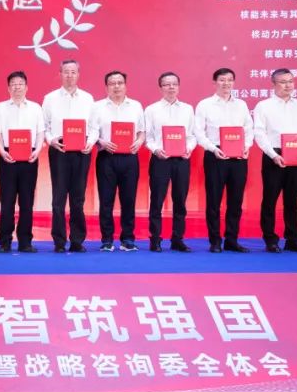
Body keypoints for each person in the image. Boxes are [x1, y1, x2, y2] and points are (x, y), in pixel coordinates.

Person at [253, 68, 297, 253]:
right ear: (273, 84)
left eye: (290, 81)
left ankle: (293, 239)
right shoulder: (264, 106)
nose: (288, 85)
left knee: (293, 200)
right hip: (275, 154)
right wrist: (273, 154)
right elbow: (259, 132)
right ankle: (270, 239)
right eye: (283, 82)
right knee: (270, 199)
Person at [194, 68, 253, 253]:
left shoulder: (241, 104)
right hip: (215, 155)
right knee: (214, 200)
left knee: (235, 201)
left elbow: (248, 129)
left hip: (238, 157)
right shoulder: (205, 105)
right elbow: (198, 132)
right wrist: (213, 148)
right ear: (214, 82)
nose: (226, 83)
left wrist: (246, 146)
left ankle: (231, 240)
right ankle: (215, 241)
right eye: (222, 80)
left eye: (230, 80)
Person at [41, 60, 96, 253]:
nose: (70, 75)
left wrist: (91, 142)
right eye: (66, 72)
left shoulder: (88, 99)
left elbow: (94, 126)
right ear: (60, 74)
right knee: (58, 198)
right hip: (60, 150)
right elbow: (44, 126)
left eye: (73, 72)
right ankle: (59, 241)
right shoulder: (50, 98)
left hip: (82, 151)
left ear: (78, 74)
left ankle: (77, 241)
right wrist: (51, 140)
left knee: (78, 198)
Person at [0, 71, 45, 253]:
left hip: (29, 158)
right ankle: (5, 242)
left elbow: (40, 132)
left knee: (27, 202)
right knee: (7, 202)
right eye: (13, 84)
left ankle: (25, 242)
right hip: (7, 157)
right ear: (8, 88)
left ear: (26, 87)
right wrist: (1, 151)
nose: (17, 87)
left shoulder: (36, 108)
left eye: (20, 83)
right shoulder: (0, 108)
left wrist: (37, 150)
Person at [90, 70, 145, 252]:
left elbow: (142, 131)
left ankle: (128, 239)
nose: (116, 86)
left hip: (130, 158)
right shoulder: (97, 107)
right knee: (106, 200)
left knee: (128, 200)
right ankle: (107, 239)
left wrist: (139, 142)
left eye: (120, 82)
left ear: (125, 85)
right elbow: (92, 132)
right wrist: (101, 142)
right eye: (112, 83)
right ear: (106, 86)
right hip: (107, 157)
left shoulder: (136, 106)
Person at [142, 72, 196, 252]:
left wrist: (189, 148)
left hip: (181, 160)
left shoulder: (188, 109)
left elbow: (191, 135)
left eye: (174, 84)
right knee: (157, 199)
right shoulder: (151, 110)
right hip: (160, 160)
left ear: (178, 86)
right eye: (166, 84)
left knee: (180, 200)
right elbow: (148, 138)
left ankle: (177, 239)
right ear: (161, 88)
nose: (171, 87)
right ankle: (155, 239)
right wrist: (156, 150)